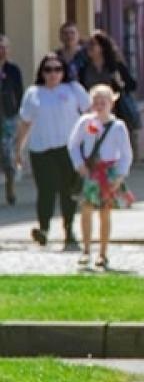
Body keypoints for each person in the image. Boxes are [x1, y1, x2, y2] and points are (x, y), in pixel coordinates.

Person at [14, 55, 90, 250]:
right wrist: (18, 149)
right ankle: (44, 229)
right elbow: (25, 123)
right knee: (46, 190)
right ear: (42, 72)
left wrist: (91, 142)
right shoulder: (34, 93)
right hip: (41, 149)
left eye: (57, 69)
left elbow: (89, 114)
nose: (53, 74)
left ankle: (69, 229)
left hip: (68, 148)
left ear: (63, 71)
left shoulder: (73, 89)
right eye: (48, 70)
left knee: (68, 191)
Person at [68, 85, 135, 271]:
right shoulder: (85, 122)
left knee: (105, 212)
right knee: (86, 209)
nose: (99, 106)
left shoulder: (118, 126)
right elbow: (73, 144)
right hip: (91, 171)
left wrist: (120, 175)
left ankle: (103, 253)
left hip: (108, 172)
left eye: (102, 102)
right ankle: (86, 250)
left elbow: (126, 153)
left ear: (111, 103)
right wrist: (79, 164)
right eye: (95, 102)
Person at [79, 30, 140, 159]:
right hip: (93, 112)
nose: (89, 47)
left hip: (115, 111)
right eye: (88, 44)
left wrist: (119, 82)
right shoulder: (84, 68)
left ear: (102, 47)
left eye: (93, 44)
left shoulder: (115, 66)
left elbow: (132, 85)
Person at [0, 36, 24, 206]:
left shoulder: (13, 70)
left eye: (3, 47)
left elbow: (19, 92)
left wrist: (18, 112)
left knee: (7, 152)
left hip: (8, 115)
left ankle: (10, 185)